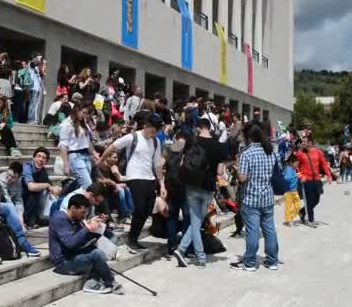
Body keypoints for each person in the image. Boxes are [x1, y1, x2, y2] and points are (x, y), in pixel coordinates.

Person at [102, 114, 166, 253]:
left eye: (156, 132)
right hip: (135, 177)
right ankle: (131, 240)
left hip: (150, 178)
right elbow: (113, 146)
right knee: (140, 207)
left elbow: (157, 165)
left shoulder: (156, 142)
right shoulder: (133, 137)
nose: (154, 134)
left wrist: (162, 184)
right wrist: (101, 160)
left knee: (148, 209)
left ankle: (134, 238)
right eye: (153, 131)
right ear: (146, 126)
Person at [172, 118, 228, 268]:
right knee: (197, 222)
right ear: (210, 128)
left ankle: (181, 249)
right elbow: (220, 171)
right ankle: (200, 257)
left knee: (195, 222)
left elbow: (179, 156)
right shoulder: (218, 146)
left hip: (191, 185)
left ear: (198, 128)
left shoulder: (191, 141)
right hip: (207, 187)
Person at [49, 194, 124, 295]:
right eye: (82, 212)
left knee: (100, 249)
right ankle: (111, 282)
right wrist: (87, 227)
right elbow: (70, 243)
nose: (84, 216)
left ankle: (92, 282)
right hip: (63, 262)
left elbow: (81, 238)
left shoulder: (76, 219)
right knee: (96, 254)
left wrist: (96, 226)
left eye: (86, 213)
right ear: (73, 208)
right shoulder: (59, 218)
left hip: (74, 254)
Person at [229, 123, 279, 271]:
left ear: (248, 136)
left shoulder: (247, 153)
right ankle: (272, 260)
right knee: (269, 229)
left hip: (251, 198)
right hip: (267, 197)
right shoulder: (270, 151)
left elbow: (243, 178)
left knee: (252, 231)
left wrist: (236, 170)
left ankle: (249, 262)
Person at [59, 104, 100, 189]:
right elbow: (63, 145)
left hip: (85, 155)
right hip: (74, 155)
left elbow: (87, 141)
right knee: (87, 184)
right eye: (83, 112)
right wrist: (66, 165)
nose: (84, 115)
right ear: (77, 110)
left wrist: (94, 153)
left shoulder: (83, 124)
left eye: (86, 113)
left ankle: (67, 198)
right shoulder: (66, 124)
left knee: (80, 185)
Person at [295, 134, 332, 227]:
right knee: (309, 201)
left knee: (316, 200)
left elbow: (323, 164)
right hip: (306, 180)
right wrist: (300, 176)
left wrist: (329, 175)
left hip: (317, 180)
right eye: (302, 141)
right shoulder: (299, 153)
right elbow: (294, 167)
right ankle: (311, 220)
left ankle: (302, 211)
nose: (302, 143)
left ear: (310, 143)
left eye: (304, 141)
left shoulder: (318, 152)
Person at [21, 147, 62, 228]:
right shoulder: (27, 167)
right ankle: (29, 221)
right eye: (38, 156)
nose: (41, 159)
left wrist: (56, 188)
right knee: (35, 191)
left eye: (44, 158)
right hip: (21, 195)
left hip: (33, 199)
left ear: (46, 161)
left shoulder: (42, 170)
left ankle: (44, 217)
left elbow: (50, 186)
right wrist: (47, 185)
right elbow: (31, 187)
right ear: (33, 158)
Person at [0, 162, 27, 230]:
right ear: (7, 170)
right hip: (1, 203)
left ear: (18, 178)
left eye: (13, 177)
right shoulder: (0, 181)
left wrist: (21, 221)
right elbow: (8, 201)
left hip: (11, 203)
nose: (9, 178)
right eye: (8, 174)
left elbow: (19, 201)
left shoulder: (18, 182)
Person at [283, 155, 301, 227]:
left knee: (298, 206)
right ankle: (288, 220)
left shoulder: (294, 169)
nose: (297, 165)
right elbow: (286, 178)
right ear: (291, 163)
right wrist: (296, 175)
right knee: (288, 206)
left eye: (297, 163)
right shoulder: (288, 169)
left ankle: (291, 217)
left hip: (295, 190)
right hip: (288, 191)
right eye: (296, 163)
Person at [27, 55, 45, 124]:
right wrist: (39, 60)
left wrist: (43, 88)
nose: (38, 59)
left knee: (34, 104)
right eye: (37, 58)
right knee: (32, 104)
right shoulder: (31, 64)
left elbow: (40, 78)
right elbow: (35, 63)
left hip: (37, 88)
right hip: (33, 88)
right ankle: (30, 120)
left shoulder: (37, 68)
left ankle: (33, 119)